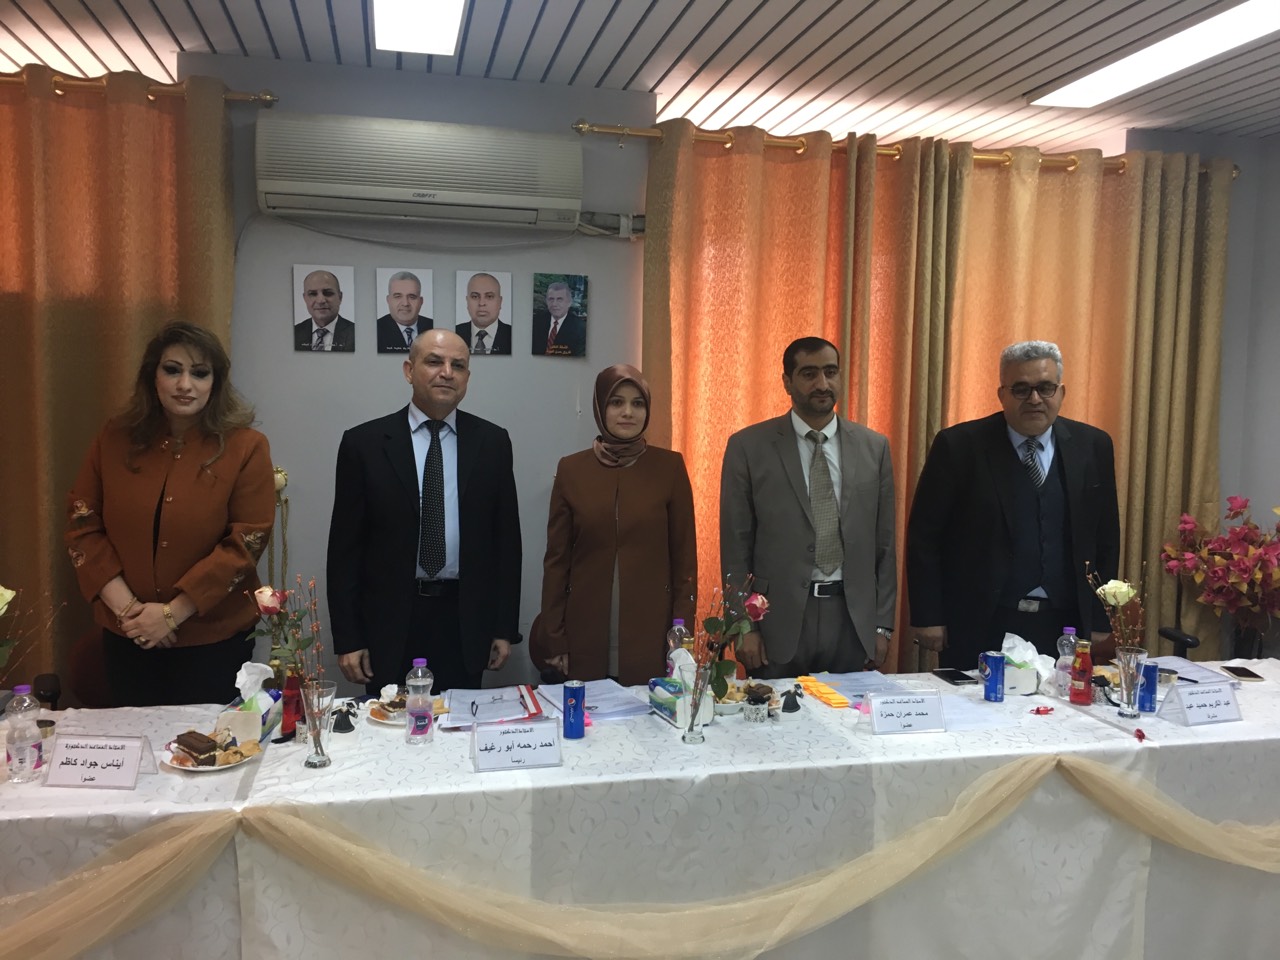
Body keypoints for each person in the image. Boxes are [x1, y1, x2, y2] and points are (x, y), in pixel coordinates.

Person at [65, 322, 275, 706]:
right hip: (128, 634)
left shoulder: (246, 447)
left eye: (200, 373)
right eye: (172, 370)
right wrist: (132, 613)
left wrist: (171, 614)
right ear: (153, 375)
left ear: (215, 382)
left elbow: (246, 544)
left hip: (213, 640)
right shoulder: (114, 438)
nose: (185, 385)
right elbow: (83, 526)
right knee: (135, 739)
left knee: (210, 741)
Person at [327, 329, 522, 694]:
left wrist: (503, 628)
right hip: (389, 622)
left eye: (458, 365)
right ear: (409, 370)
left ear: (467, 377)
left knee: (460, 723)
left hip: (464, 621)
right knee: (388, 722)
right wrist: (349, 638)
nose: (447, 372)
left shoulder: (492, 442)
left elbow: (506, 543)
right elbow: (344, 552)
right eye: (434, 361)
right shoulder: (364, 444)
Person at [907, 340, 1120, 668]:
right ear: (1001, 394)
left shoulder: (1093, 446)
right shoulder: (958, 446)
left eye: (1045, 388)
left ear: (1061, 392)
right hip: (980, 622)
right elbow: (925, 536)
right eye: (1021, 389)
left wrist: (1101, 616)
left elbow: (1106, 537)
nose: (1034, 399)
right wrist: (928, 616)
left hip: (1064, 625)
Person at [720, 337, 896, 678]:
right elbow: (735, 545)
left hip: (852, 621)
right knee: (777, 712)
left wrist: (882, 627)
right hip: (776, 622)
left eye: (831, 372)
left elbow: (885, 545)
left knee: (849, 712)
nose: (822, 384)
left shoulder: (874, 447)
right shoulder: (748, 447)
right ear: (787, 382)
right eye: (809, 374)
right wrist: (742, 626)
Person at [536, 365, 697, 685]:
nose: (628, 412)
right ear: (600, 407)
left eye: (638, 403)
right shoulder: (571, 470)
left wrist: (682, 641)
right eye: (616, 402)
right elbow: (556, 562)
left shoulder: (670, 468)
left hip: (652, 634)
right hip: (584, 633)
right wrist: (554, 637)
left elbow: (684, 563)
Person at [293, 269, 355, 352]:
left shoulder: (356, 333)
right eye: (313, 294)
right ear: (305, 298)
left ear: (340, 297)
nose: (320, 300)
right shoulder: (293, 333)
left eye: (328, 293)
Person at [376, 271, 433, 353]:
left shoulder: (432, 327)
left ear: (421, 301)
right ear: (388, 300)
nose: (405, 303)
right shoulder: (376, 329)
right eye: (398, 296)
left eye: (412, 297)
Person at [455, 272, 512, 355]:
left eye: (489, 296)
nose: (481, 303)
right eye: (475, 296)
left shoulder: (512, 335)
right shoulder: (454, 334)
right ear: (467, 301)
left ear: (500, 302)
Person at [531, 281, 586, 357]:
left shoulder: (580, 328)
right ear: (546, 301)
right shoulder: (536, 321)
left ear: (569, 303)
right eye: (551, 299)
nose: (554, 304)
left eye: (560, 299)